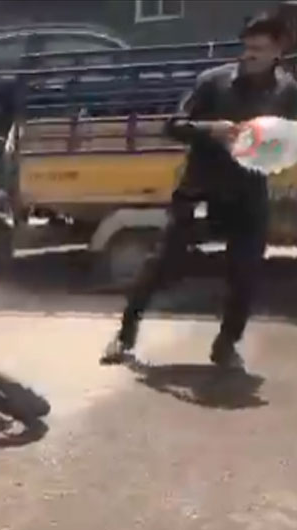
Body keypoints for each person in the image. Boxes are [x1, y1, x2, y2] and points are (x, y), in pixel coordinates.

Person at [101, 13, 297, 370]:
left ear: (278, 50)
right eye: (247, 47)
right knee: (163, 265)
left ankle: (225, 346)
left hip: (249, 193)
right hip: (202, 188)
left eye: (259, 49)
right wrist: (210, 129)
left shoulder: (287, 90)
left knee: (246, 274)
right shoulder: (214, 82)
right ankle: (125, 335)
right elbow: (172, 126)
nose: (250, 55)